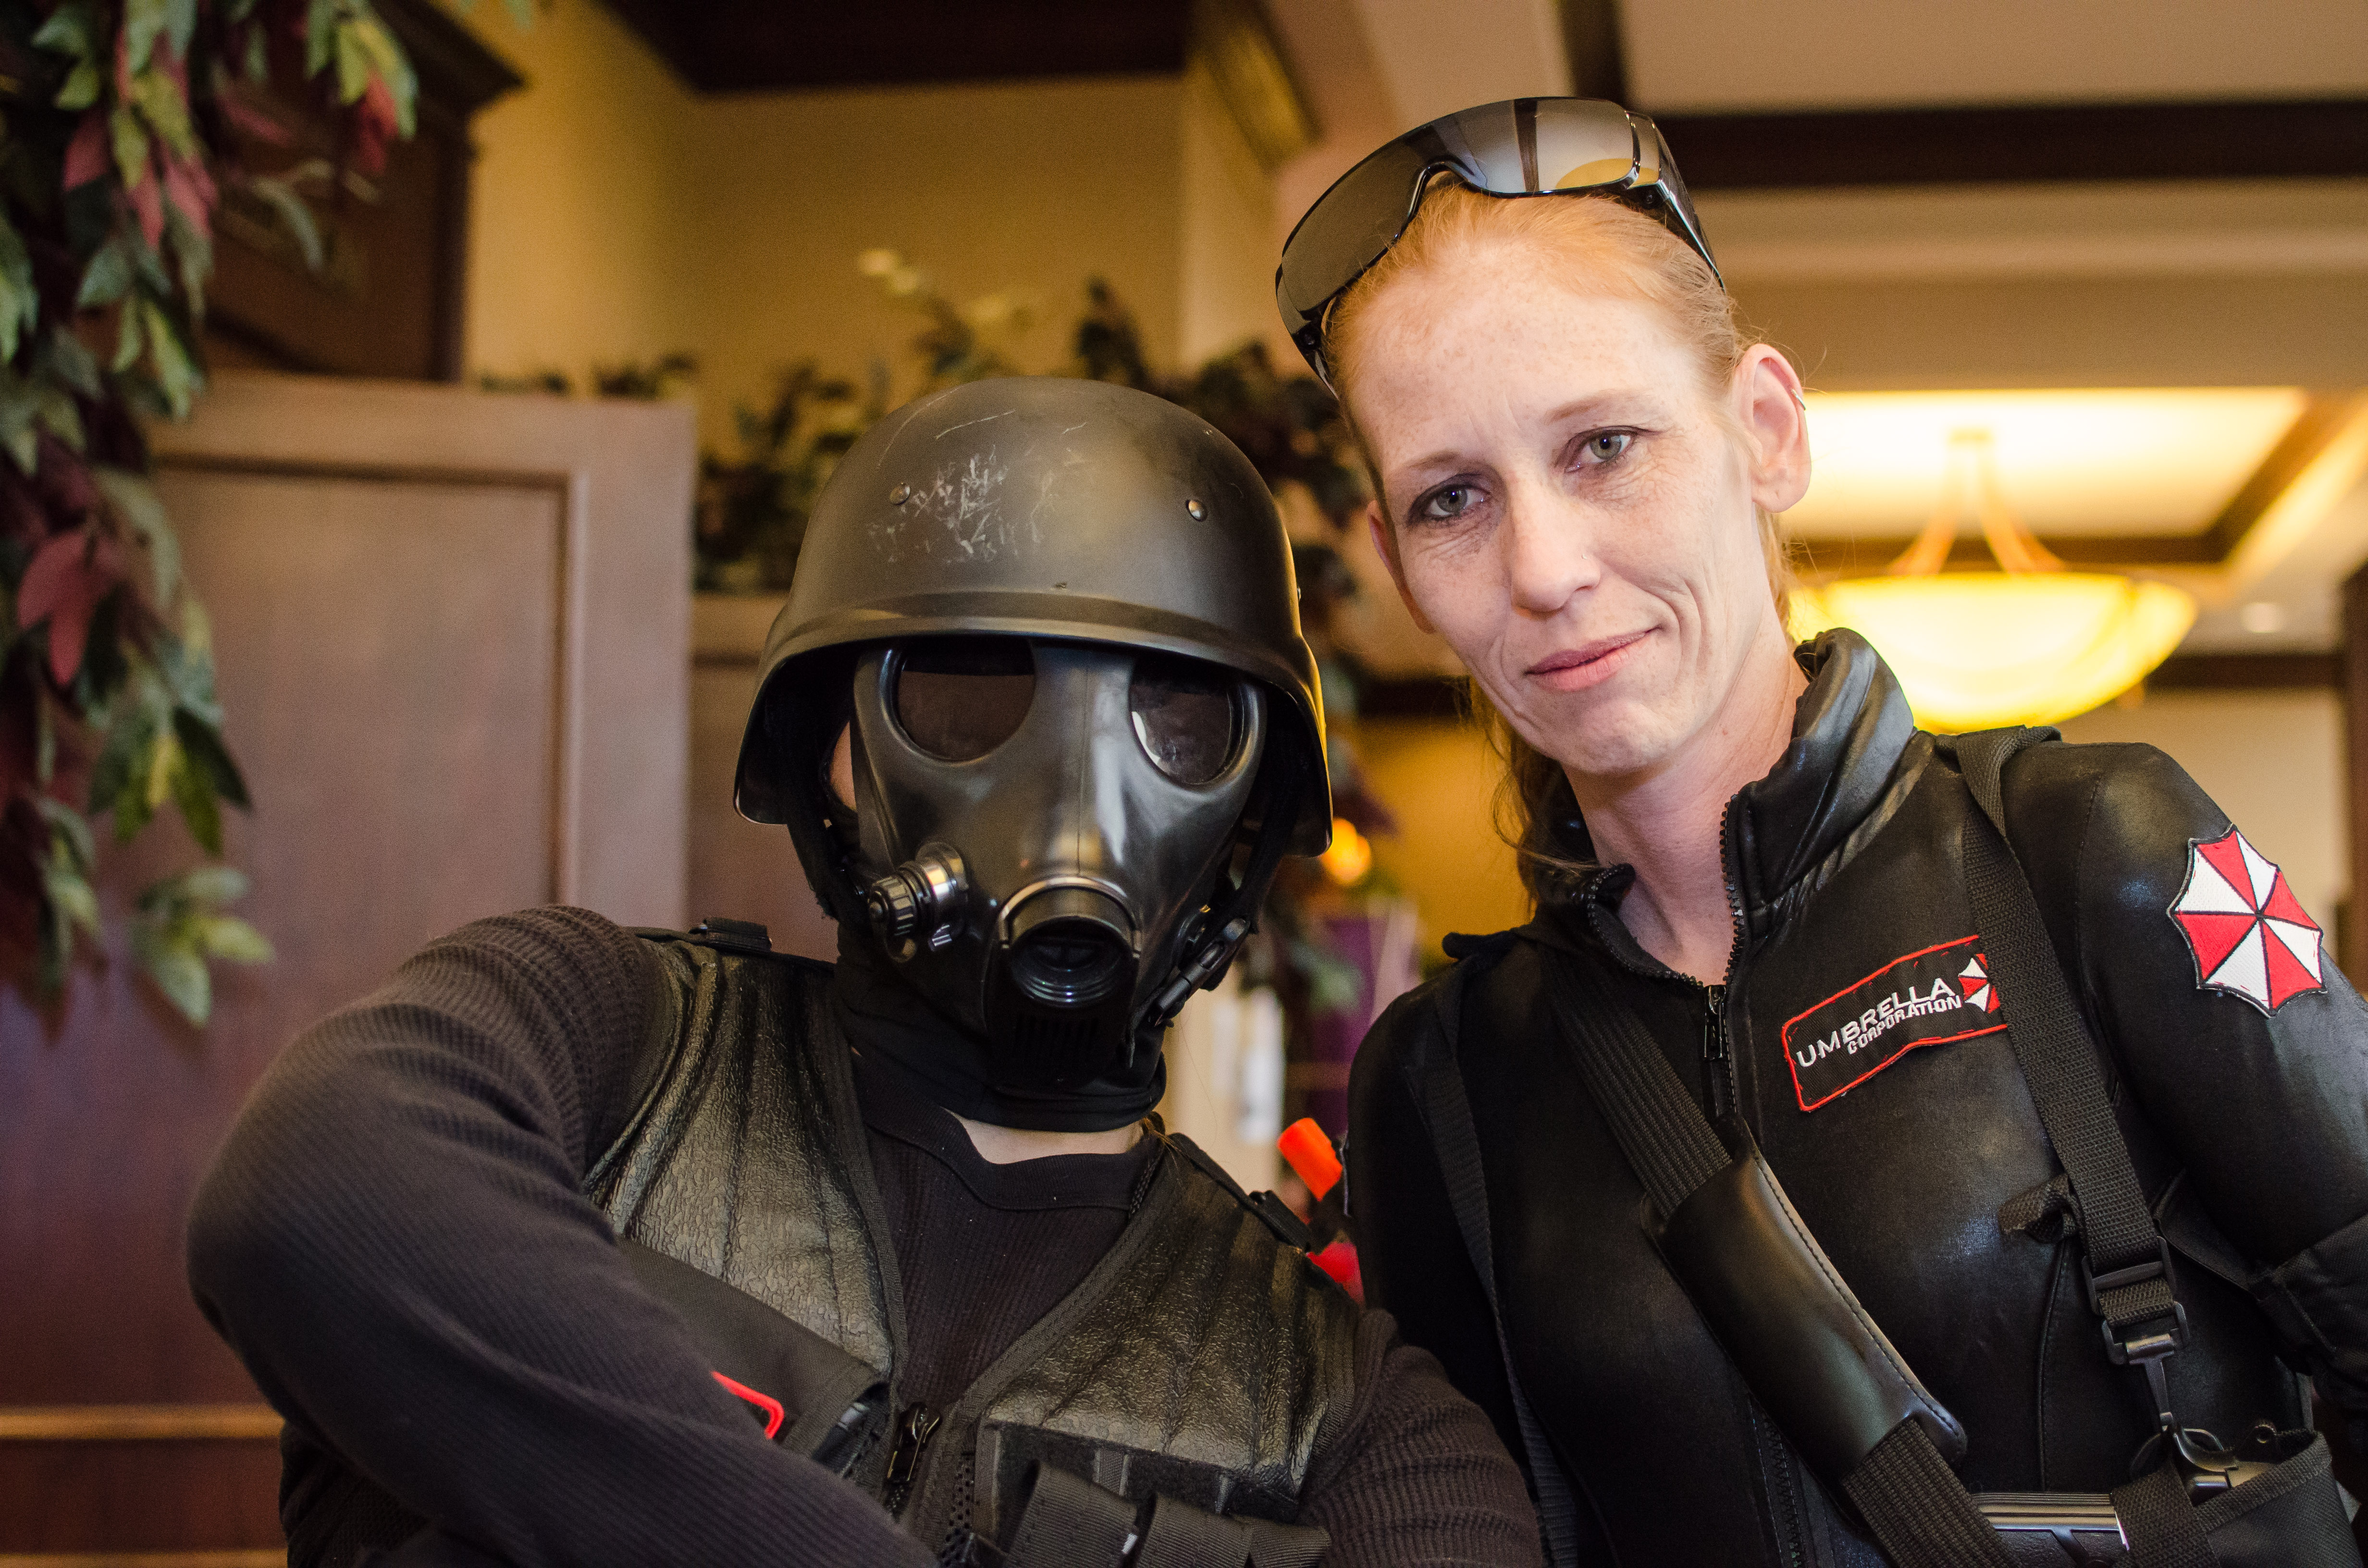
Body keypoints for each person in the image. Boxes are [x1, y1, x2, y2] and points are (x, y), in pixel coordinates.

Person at [186, 377, 1543, 1568]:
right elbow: (309, 1191)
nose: (1076, 799)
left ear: (1250, 813)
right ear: (831, 747)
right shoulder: (599, 1045)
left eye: (1174, 719)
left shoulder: (1347, 1414)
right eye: (966, 695)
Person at [1280, 98, 2368, 1566]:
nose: (1543, 567)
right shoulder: (1445, 1081)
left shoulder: (2096, 853)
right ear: (1403, 569)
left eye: (1604, 446)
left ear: (1766, 434)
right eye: (1452, 499)